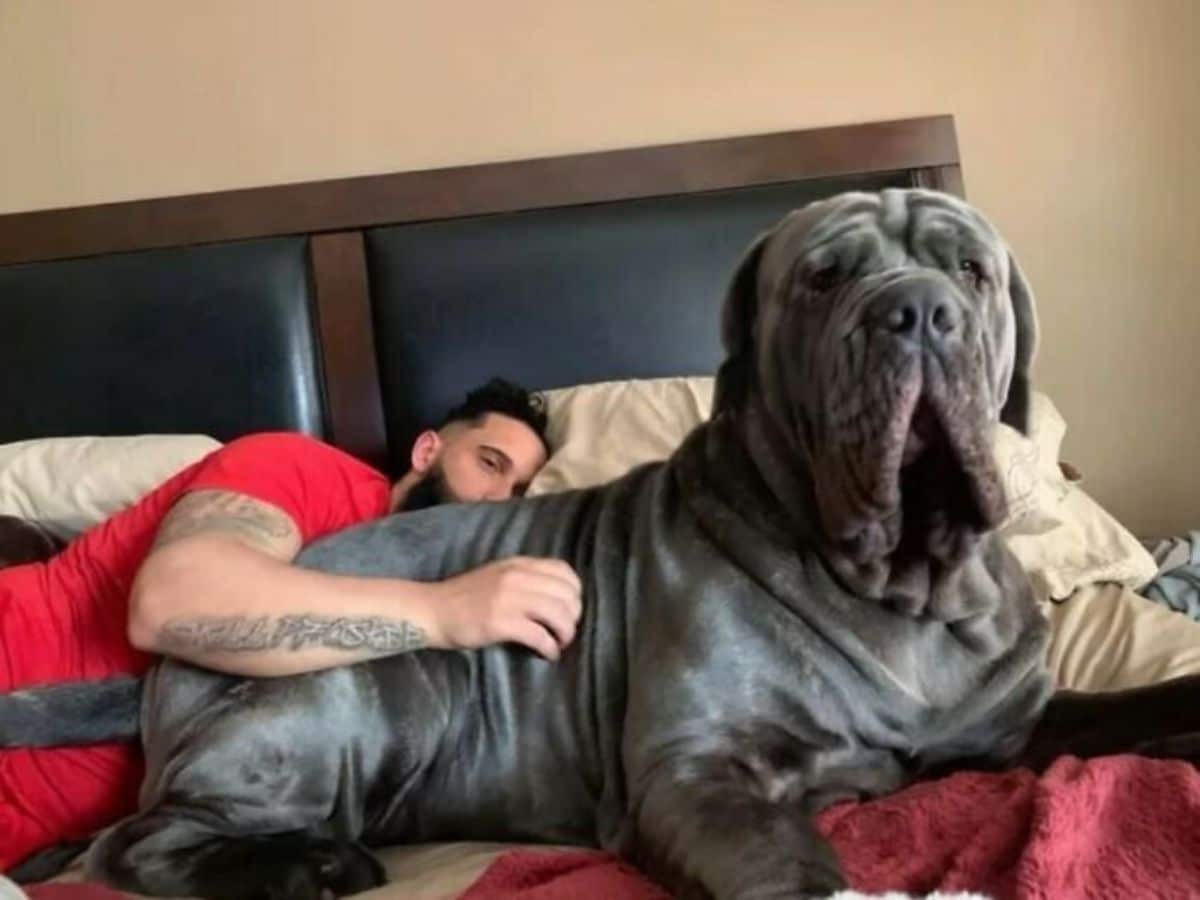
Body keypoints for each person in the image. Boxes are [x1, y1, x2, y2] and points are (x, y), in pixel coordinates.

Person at [0, 377, 582, 874]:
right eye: (488, 463)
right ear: (428, 450)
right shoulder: (307, 470)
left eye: (518, 492)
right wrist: (445, 612)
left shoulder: (427, 658)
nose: (496, 500)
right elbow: (172, 603)